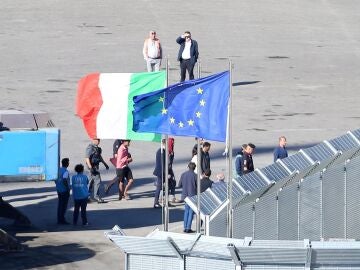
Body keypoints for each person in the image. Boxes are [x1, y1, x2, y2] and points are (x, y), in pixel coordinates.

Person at [85, 138, 109, 203]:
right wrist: (91, 168)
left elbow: (99, 157)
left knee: (91, 182)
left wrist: (105, 164)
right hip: (92, 168)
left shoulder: (97, 148)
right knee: (97, 181)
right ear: (93, 140)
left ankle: (87, 197)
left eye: (99, 140)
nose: (99, 141)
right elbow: (87, 158)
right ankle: (96, 197)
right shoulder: (90, 148)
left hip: (95, 167)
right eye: (97, 140)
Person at [178, 162, 197, 233]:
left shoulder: (183, 174)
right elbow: (198, 186)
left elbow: (179, 185)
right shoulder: (195, 176)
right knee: (191, 212)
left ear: (188, 167)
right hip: (192, 196)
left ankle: (185, 227)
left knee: (186, 211)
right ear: (194, 168)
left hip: (185, 195)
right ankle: (188, 228)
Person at [55, 158, 70, 225]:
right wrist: (67, 188)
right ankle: (62, 219)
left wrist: (58, 184)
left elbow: (55, 179)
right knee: (63, 206)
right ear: (67, 164)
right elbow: (64, 180)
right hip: (64, 190)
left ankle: (59, 219)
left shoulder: (58, 170)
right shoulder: (65, 171)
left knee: (60, 205)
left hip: (59, 189)